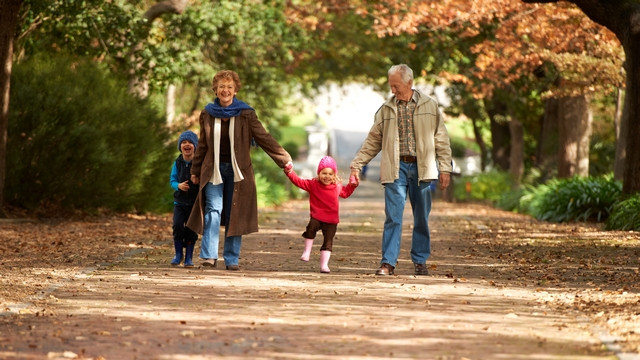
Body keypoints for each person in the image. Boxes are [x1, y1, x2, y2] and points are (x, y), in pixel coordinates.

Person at [349, 64, 452, 276]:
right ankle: (388, 262)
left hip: (422, 169)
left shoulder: (429, 106)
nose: (393, 90)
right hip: (396, 169)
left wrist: (445, 168)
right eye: (391, 86)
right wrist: (357, 163)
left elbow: (441, 139)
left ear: (409, 82)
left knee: (421, 217)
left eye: (396, 86)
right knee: (393, 216)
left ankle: (420, 261)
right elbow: (373, 140)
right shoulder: (386, 109)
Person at [187, 69, 292, 271]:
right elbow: (202, 144)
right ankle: (209, 256)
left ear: (235, 90)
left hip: (238, 172)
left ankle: (231, 258)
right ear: (215, 90)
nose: (225, 90)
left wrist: (284, 159)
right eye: (221, 87)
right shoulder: (207, 113)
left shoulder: (246, 114)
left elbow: (263, 137)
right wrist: (195, 169)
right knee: (212, 210)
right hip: (213, 170)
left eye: (229, 87)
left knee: (235, 213)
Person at [283, 156, 358, 273]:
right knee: (310, 229)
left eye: (330, 174)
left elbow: (346, 193)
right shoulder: (313, 184)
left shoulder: (337, 186)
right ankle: (306, 252)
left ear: (334, 175)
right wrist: (289, 172)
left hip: (331, 220)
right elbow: (298, 181)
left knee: (328, 242)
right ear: (319, 173)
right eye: (324, 173)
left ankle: (324, 265)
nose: (327, 177)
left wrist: (352, 185)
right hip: (317, 216)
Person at [170, 130, 200, 267]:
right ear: (180, 146)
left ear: (195, 146)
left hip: (194, 203)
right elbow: (172, 180)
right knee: (177, 225)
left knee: (191, 230)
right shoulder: (177, 163)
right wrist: (178, 186)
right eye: (183, 142)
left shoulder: (199, 163)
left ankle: (188, 257)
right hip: (180, 202)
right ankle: (178, 254)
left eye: (190, 142)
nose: (187, 145)